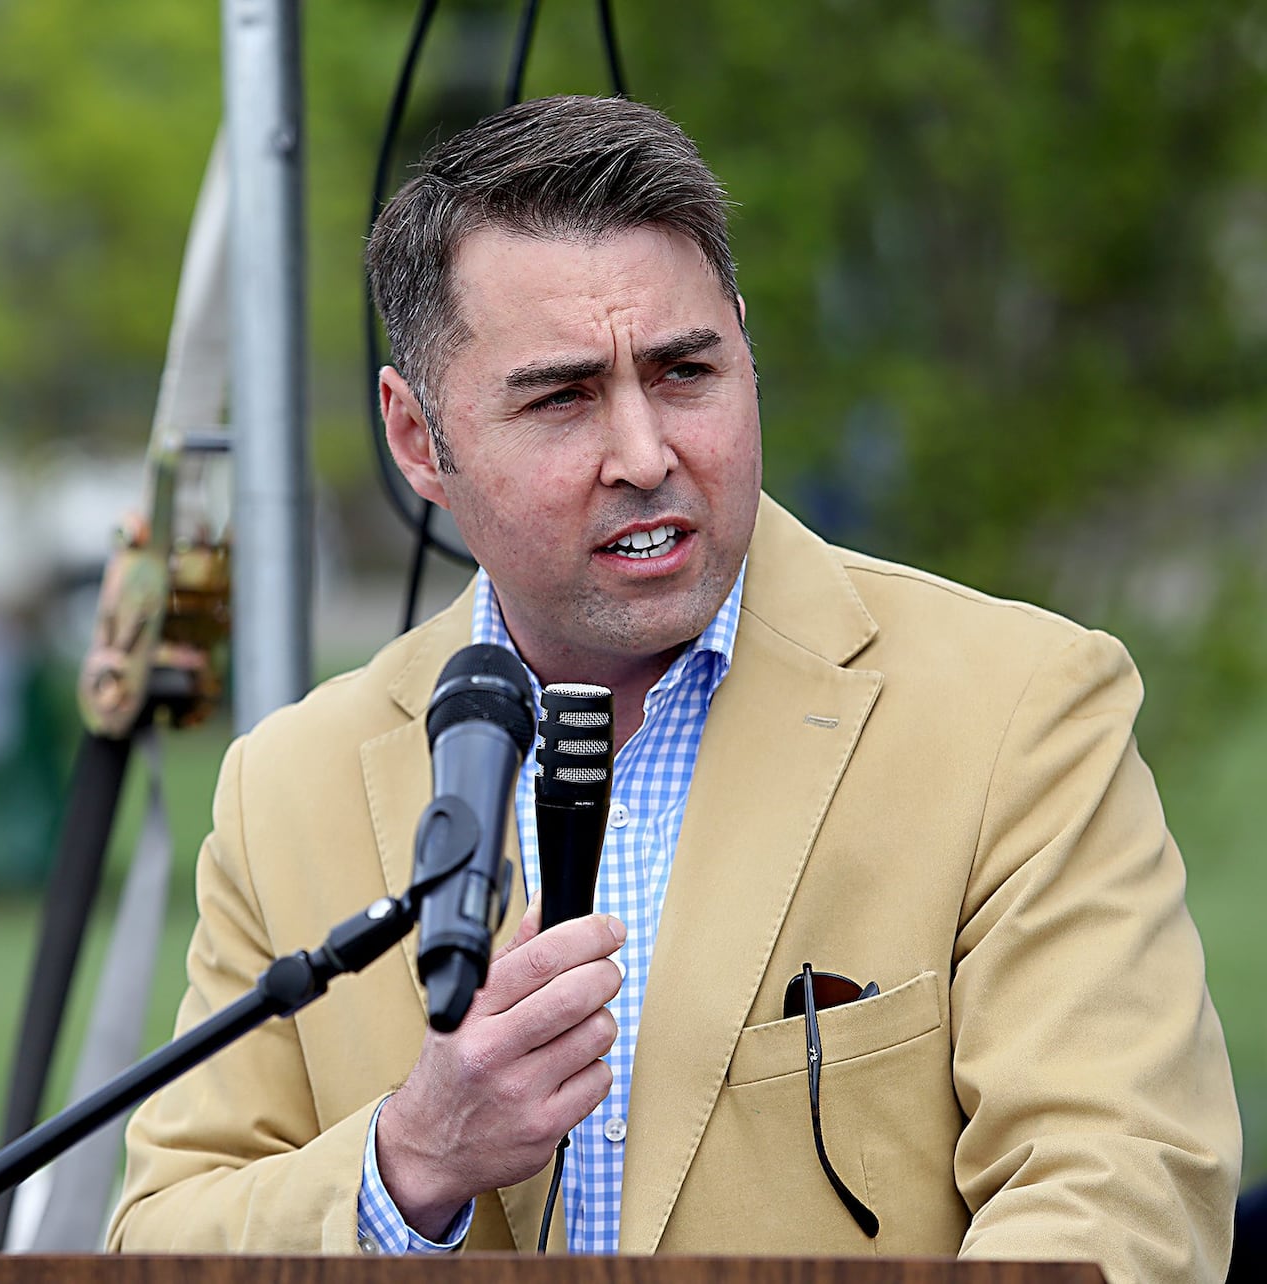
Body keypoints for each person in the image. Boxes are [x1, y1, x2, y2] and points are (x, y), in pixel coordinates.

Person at [107, 96, 1240, 1281]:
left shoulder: (1019, 709)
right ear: (416, 439)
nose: (645, 454)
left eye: (684, 371)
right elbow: (157, 1242)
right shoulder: (288, 783)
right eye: (561, 397)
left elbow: (1121, 1189)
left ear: (744, 351)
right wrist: (411, 1162)